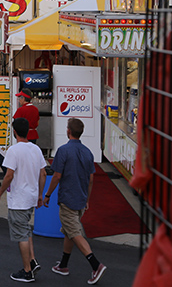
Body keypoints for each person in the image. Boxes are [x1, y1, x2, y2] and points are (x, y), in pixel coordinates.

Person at [43, 117, 106, 285]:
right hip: (81, 199)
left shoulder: (63, 151)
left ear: (68, 131)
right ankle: (63, 265)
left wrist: (48, 194)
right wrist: (87, 198)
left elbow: (57, 176)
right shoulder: (88, 152)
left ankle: (95, 264)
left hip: (67, 199)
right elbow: (91, 179)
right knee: (68, 230)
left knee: (75, 233)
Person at [0, 118, 47, 283]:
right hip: (31, 196)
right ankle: (32, 260)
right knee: (26, 229)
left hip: (19, 198)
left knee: (21, 234)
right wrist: (40, 194)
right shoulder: (36, 149)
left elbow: (9, 175)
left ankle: (27, 271)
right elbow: (43, 173)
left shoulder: (13, 151)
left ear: (14, 131)